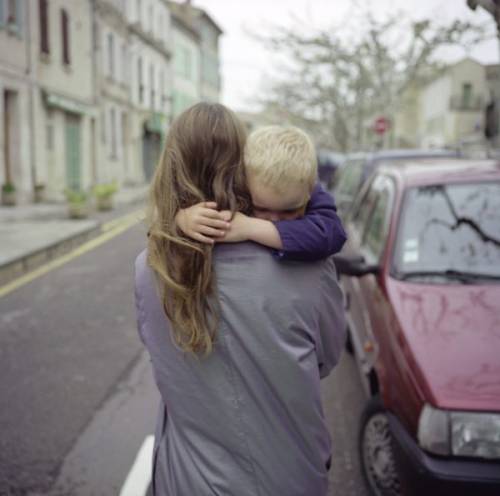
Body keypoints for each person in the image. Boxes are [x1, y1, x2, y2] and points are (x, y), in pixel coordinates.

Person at [135, 103, 346, 496]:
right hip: (289, 477)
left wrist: (173, 225)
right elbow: (326, 359)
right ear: (241, 168)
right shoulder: (310, 268)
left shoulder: (150, 266)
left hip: (186, 480)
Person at [175, 125, 347, 261]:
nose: (274, 220)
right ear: (243, 184)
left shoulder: (308, 187)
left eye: (289, 211)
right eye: (262, 209)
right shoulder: (235, 189)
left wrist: (249, 227)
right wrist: (182, 219)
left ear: (309, 192)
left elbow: (332, 234)